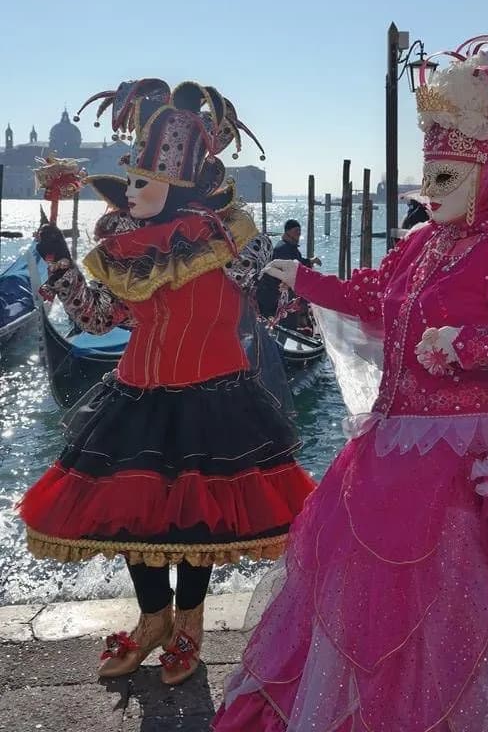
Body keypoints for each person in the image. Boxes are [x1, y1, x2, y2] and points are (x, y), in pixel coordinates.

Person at [212, 37, 488, 731]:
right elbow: (376, 299)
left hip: (474, 472)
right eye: (428, 177)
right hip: (392, 457)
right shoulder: (422, 244)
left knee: (476, 620)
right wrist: (302, 279)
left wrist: (476, 344)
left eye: (448, 178)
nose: (430, 193)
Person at [19, 79, 315, 685]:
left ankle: (189, 627)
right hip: (136, 396)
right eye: (128, 182)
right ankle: (153, 621)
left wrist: (270, 276)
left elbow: (272, 305)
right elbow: (98, 317)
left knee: (192, 522)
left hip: (214, 397)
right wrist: (57, 259)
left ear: (178, 183)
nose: (129, 192)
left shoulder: (227, 238)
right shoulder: (127, 249)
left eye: (139, 182)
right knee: (135, 518)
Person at [256, 219, 321, 327]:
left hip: (281, 297)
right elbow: (293, 270)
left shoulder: (289, 247)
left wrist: (310, 261)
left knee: (286, 327)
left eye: (299, 231)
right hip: (276, 298)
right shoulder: (283, 249)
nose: (299, 234)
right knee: (285, 328)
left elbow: (297, 263)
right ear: (288, 232)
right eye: (296, 231)